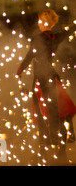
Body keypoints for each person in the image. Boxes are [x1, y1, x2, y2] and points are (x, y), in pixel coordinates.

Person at [16, 9, 76, 162]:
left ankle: (43, 152)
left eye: (39, 21)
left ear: (43, 22)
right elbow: (69, 31)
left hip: (41, 81)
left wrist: (20, 69)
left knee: (41, 117)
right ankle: (60, 152)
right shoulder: (56, 37)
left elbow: (30, 55)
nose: (38, 23)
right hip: (52, 79)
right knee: (58, 115)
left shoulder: (36, 38)